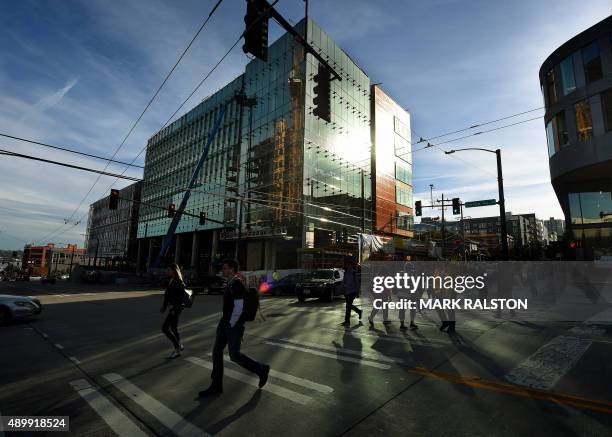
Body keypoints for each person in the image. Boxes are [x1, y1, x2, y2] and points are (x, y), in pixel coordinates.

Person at [199, 259, 270, 396]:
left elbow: (238, 307)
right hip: (226, 322)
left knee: (234, 355)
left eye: (225, 268)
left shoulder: (236, 284)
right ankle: (216, 385)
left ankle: (261, 370)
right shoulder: (230, 282)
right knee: (217, 351)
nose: (223, 270)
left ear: (231, 269)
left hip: (233, 324)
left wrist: (231, 323)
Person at [160, 263, 186, 359]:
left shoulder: (178, 282)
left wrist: (175, 309)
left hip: (174, 310)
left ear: (174, 271)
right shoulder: (171, 280)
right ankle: (179, 347)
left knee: (165, 328)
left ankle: (177, 347)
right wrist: (164, 306)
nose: (167, 271)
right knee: (174, 328)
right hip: (172, 308)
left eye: (169, 270)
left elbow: (180, 299)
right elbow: (168, 296)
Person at [341, 260, 362, 326]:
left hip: (352, 292)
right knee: (348, 306)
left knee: (348, 306)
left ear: (352, 266)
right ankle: (359, 311)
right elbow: (343, 281)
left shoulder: (354, 273)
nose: (348, 266)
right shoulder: (345, 273)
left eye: (349, 265)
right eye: (347, 265)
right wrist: (343, 287)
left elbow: (357, 283)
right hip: (346, 292)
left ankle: (347, 321)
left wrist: (357, 292)